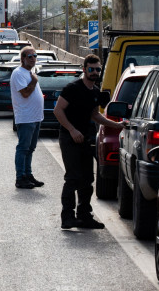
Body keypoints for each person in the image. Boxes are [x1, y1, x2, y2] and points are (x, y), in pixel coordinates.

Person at [53, 54, 125, 230]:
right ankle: (67, 217)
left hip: (86, 139)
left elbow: (95, 114)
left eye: (97, 69)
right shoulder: (72, 88)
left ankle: (84, 216)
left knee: (87, 179)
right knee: (73, 177)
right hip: (69, 138)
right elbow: (58, 111)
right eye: (91, 69)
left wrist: (116, 125)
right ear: (84, 69)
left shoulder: (95, 91)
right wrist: (72, 130)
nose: (94, 72)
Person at [10, 46, 44, 189]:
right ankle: (20, 177)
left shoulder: (30, 73)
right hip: (26, 117)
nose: (33, 58)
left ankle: (28, 175)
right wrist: (34, 81)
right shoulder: (18, 73)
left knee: (30, 148)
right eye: (29, 56)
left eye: (34, 56)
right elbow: (24, 93)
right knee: (23, 148)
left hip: (35, 117)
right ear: (23, 58)